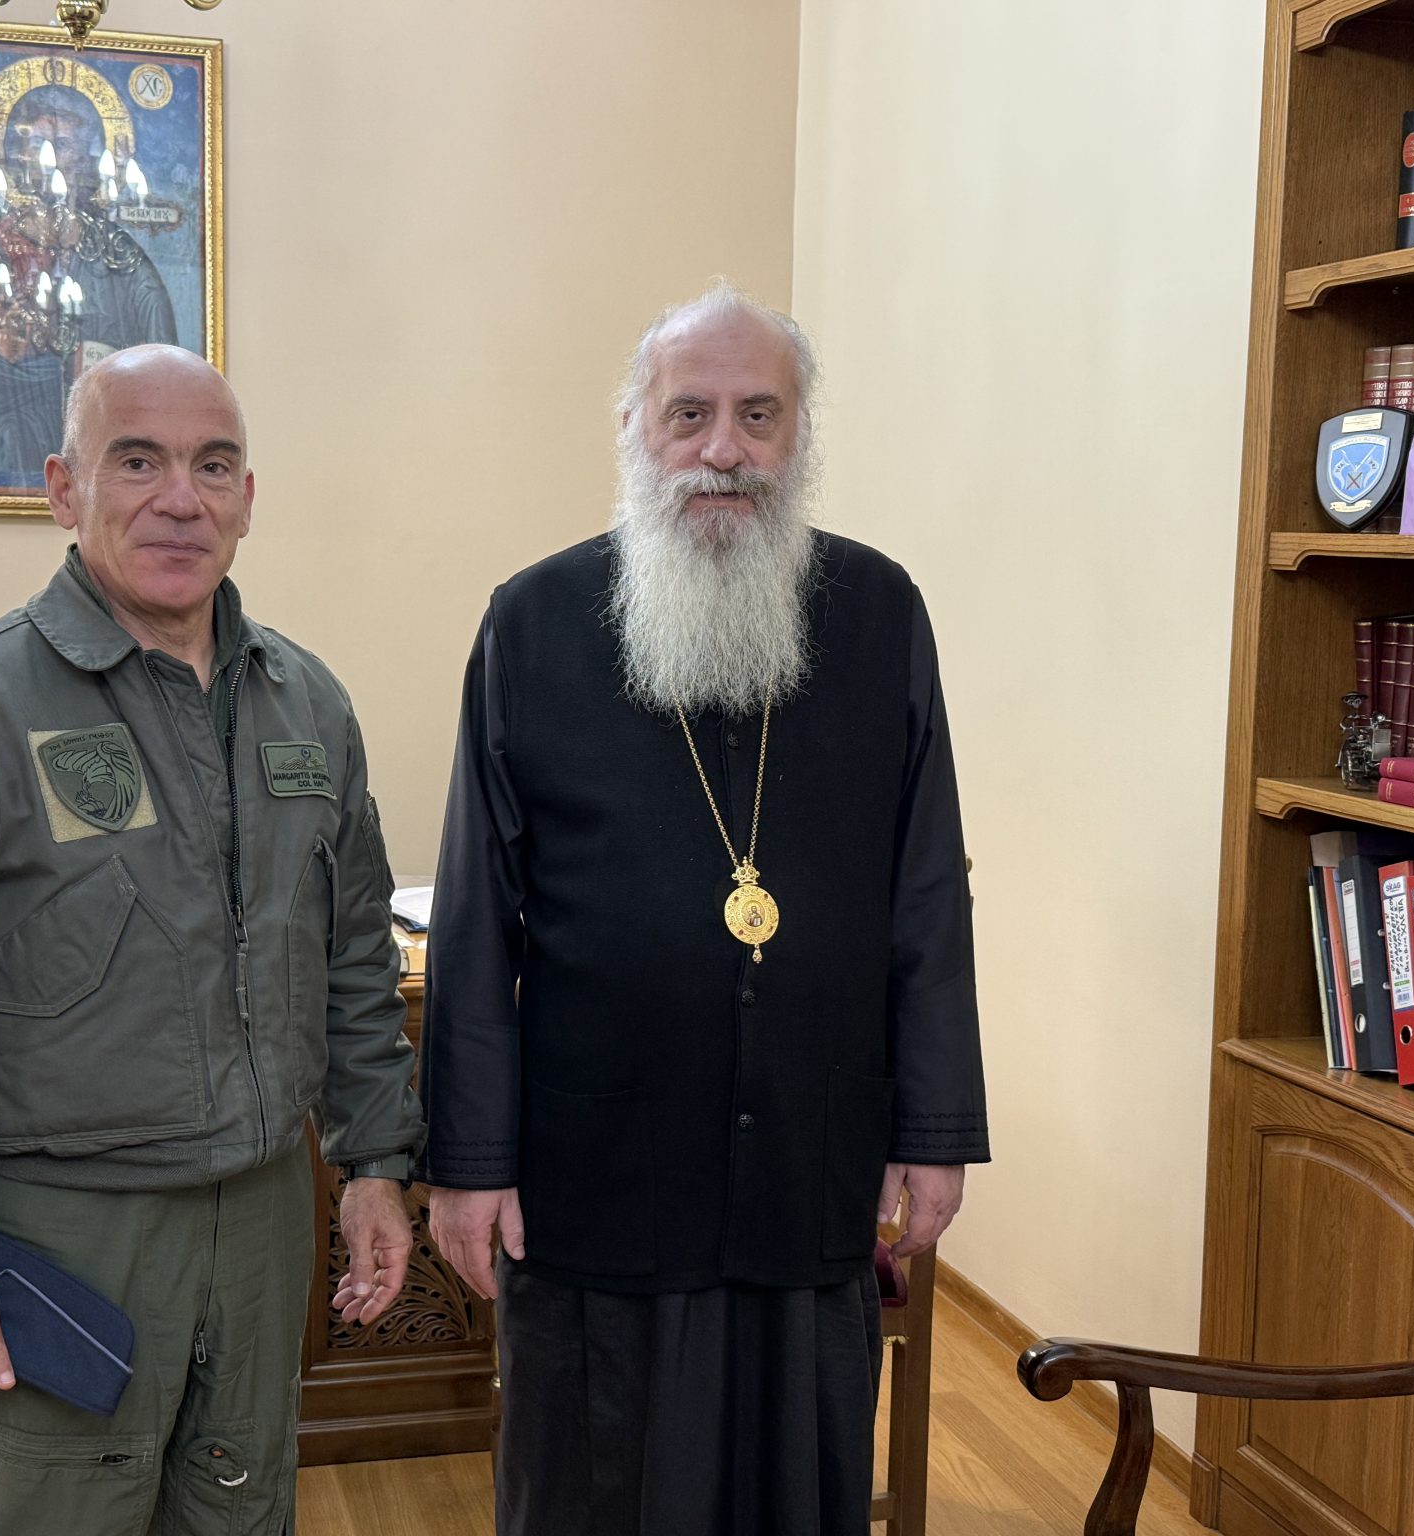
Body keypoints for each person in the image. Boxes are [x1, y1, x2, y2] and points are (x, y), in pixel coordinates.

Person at [0, 343, 422, 1535]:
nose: (179, 497)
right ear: (63, 489)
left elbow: (350, 961)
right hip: (59, 1229)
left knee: (238, 1514)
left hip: (263, 1218)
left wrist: (374, 1164)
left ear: (246, 498)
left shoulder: (308, 706)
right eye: (137, 461)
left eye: (212, 465)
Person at [419, 283, 989, 1536]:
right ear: (634, 428)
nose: (722, 448)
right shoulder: (533, 621)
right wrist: (467, 1162)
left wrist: (935, 1125)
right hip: (595, 1173)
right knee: (590, 1491)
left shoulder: (878, 614)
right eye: (689, 414)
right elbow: (473, 919)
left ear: (798, 433)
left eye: (756, 415)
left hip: (806, 1158)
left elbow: (925, 890)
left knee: (797, 1488)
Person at [0, 84, 179, 490]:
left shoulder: (121, 258)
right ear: (17, 155)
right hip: (11, 452)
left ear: (88, 158)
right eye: (37, 143)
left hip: (114, 472)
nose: (50, 159)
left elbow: (167, 377)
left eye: (63, 144)